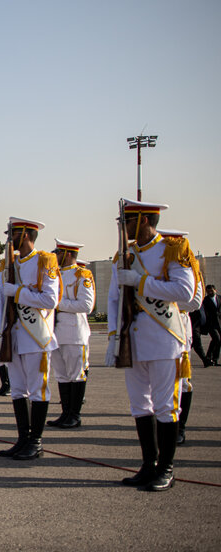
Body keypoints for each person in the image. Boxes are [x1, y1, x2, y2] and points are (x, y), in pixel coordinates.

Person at [107, 200, 197, 491]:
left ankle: (166, 468)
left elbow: (184, 292)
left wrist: (141, 282)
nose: (124, 227)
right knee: (139, 405)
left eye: (128, 221)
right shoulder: (125, 254)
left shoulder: (173, 249)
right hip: (132, 341)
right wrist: (113, 338)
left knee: (165, 406)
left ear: (144, 220)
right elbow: (113, 300)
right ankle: (148, 464)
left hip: (163, 339)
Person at [0, 218, 61, 460]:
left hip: (37, 337)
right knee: (18, 391)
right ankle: (23, 439)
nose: (8, 239)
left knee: (37, 390)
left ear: (24, 235)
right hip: (14, 336)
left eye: (12, 234)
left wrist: (20, 293)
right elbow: (2, 306)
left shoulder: (45, 261)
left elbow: (51, 300)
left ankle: (36, 441)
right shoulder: (8, 265)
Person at [157, 229, 204, 445]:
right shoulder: (157, 265)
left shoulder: (189, 266)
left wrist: (165, 298)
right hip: (157, 328)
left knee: (182, 382)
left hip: (179, 328)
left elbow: (194, 301)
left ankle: (180, 427)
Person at [46, 240, 94, 429]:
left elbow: (86, 305)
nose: (54, 256)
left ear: (66, 254)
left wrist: (57, 303)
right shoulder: (54, 275)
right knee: (61, 375)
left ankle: (75, 415)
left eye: (57, 253)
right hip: (55, 331)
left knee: (76, 374)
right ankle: (65, 413)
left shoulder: (82, 275)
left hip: (74, 331)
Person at [203, 284, 221, 366]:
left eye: (211, 291)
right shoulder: (205, 301)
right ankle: (210, 357)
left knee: (217, 341)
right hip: (211, 324)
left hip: (219, 323)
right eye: (208, 291)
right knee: (216, 339)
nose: (210, 292)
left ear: (215, 290)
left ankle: (213, 359)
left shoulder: (219, 298)